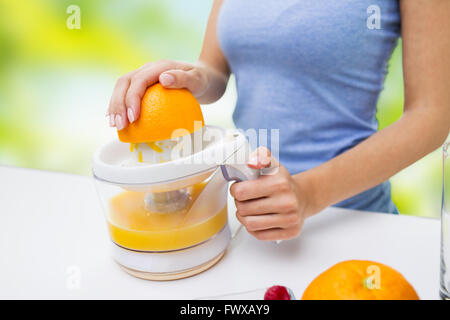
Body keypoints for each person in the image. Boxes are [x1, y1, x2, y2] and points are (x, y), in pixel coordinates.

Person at [107, 0, 450, 241]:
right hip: (249, 222)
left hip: (353, 223)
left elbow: (431, 117)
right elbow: (213, 70)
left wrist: (308, 194)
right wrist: (185, 78)